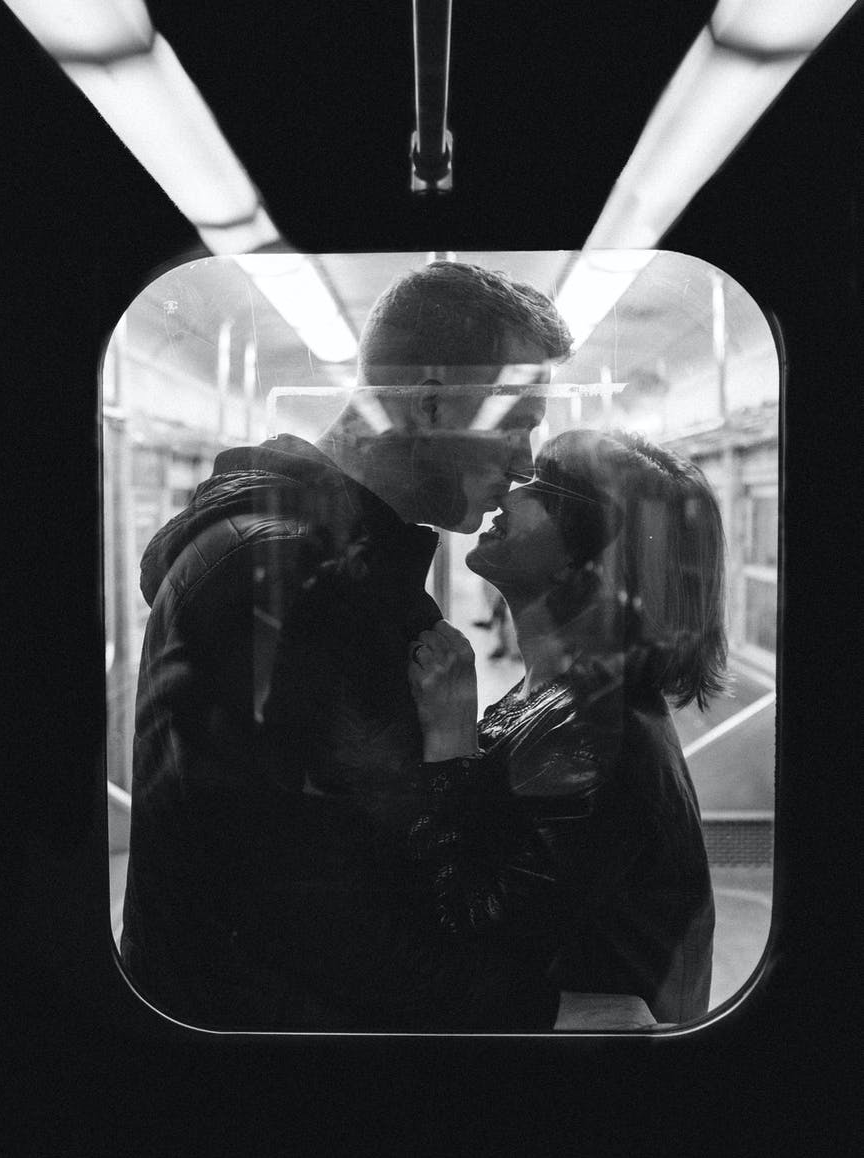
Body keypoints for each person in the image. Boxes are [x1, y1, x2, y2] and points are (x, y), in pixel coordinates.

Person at [120, 260, 574, 1031]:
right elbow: (319, 913)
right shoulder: (286, 579)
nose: (526, 462)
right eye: (516, 422)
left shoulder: (330, 567)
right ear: (429, 407)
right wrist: (511, 1007)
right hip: (264, 1072)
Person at [407, 429, 726, 1024]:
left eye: (543, 493)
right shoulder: (572, 700)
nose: (510, 496)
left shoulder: (591, 735)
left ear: (590, 566)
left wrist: (448, 743)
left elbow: (461, 940)